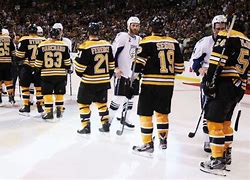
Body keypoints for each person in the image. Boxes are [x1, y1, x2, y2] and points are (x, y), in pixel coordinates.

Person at [200, 16, 250, 176]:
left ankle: (217, 159)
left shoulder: (226, 35)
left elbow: (216, 61)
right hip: (238, 87)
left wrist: (209, 82)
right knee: (226, 122)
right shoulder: (248, 42)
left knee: (214, 122)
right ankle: (227, 153)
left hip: (224, 85)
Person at [131, 16, 184, 156]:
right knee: (162, 113)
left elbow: (137, 65)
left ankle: (148, 143)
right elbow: (179, 69)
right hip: (167, 85)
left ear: (151, 28)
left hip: (150, 84)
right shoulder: (174, 42)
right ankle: (163, 141)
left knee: (145, 113)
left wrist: (132, 82)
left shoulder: (147, 41)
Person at [189, 15, 227, 153]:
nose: (220, 31)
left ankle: (219, 138)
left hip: (225, 82)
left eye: (223, 28)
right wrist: (200, 69)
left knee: (223, 112)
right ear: (213, 28)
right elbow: (195, 61)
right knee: (207, 111)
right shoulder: (205, 42)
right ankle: (207, 139)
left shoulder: (231, 42)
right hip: (208, 81)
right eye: (218, 29)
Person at [74, 22, 115, 134]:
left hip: (89, 82)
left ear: (88, 32)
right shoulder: (107, 45)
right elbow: (112, 65)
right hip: (104, 81)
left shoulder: (85, 46)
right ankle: (105, 124)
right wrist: (106, 77)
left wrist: (83, 75)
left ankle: (86, 126)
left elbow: (79, 68)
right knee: (102, 103)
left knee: (83, 103)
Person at [109, 16, 141, 128]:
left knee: (130, 97)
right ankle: (108, 120)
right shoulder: (122, 36)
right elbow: (114, 53)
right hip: (122, 72)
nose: (135, 27)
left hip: (133, 74)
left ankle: (125, 118)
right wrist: (115, 68)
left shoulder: (138, 39)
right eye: (133, 25)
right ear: (128, 26)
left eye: (137, 25)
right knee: (118, 97)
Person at [34, 28, 71, 121]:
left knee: (47, 93)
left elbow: (38, 63)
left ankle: (49, 112)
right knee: (59, 92)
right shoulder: (64, 45)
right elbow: (67, 62)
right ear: (59, 35)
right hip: (60, 74)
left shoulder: (42, 45)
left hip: (46, 74)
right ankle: (59, 111)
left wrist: (36, 69)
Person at [16, 24, 45, 115]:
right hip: (39, 67)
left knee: (25, 86)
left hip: (27, 66)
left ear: (28, 31)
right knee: (39, 87)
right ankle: (40, 106)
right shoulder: (43, 40)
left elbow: (19, 55)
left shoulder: (24, 39)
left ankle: (26, 106)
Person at [0, 24, 16, 106]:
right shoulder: (8, 39)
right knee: (9, 82)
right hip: (7, 63)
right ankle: (11, 97)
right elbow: (13, 53)